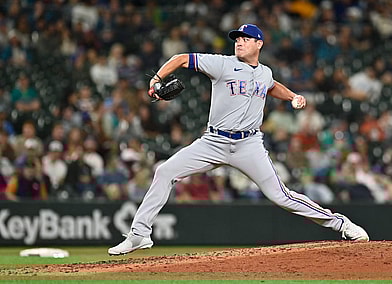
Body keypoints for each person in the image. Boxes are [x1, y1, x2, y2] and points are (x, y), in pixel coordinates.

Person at [108, 24, 369, 256]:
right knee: (164, 172)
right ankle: (139, 234)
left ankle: (341, 224)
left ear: (259, 44)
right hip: (213, 141)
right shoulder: (222, 64)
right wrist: (156, 79)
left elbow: (271, 85)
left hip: (248, 145)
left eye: (246, 38)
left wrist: (291, 96)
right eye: (237, 38)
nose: (239, 41)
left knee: (282, 197)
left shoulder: (265, 72)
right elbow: (180, 58)